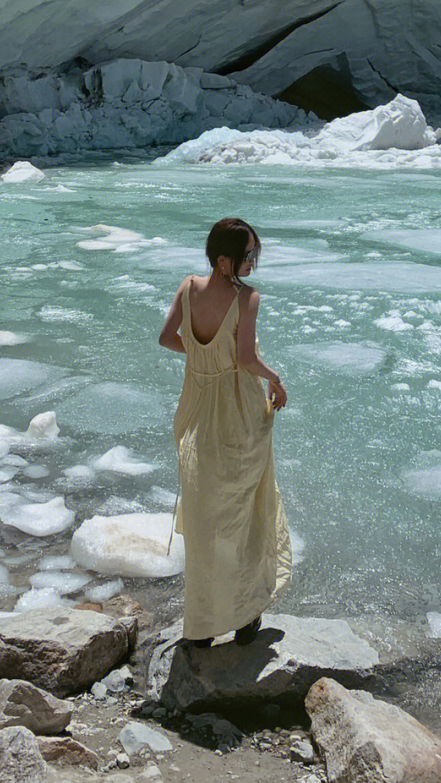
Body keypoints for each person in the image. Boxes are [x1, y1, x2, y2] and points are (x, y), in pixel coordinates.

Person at [158, 216, 291, 647]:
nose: (253, 261)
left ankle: (199, 627)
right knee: (245, 513)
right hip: (237, 415)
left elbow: (167, 337)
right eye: (247, 254)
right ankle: (243, 617)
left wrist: (201, 360)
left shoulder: (188, 287)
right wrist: (276, 378)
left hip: (195, 412)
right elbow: (248, 360)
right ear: (223, 259)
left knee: (204, 520)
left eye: (254, 252)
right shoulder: (247, 299)